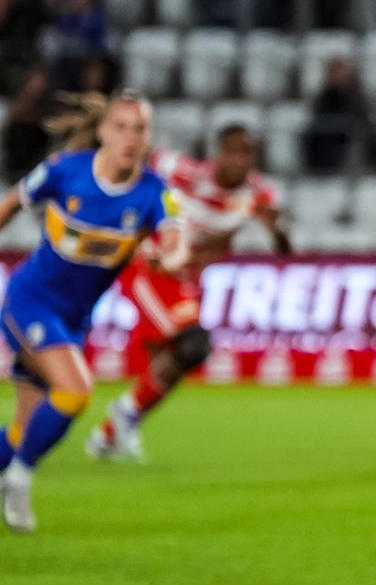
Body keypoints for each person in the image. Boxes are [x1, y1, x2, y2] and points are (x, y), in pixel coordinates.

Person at [0, 92, 186, 532]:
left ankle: (13, 464)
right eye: (120, 127)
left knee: (24, 429)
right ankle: (19, 479)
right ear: (102, 131)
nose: (130, 138)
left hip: (73, 321)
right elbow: (10, 204)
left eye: (139, 129)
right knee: (75, 389)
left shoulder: (155, 193)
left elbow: (177, 243)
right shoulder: (65, 170)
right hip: (30, 301)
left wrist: (167, 259)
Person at [88, 125, 288, 461]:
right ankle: (123, 417)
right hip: (150, 267)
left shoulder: (260, 195)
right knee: (191, 345)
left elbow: (284, 249)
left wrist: (275, 229)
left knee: (179, 359)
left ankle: (110, 433)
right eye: (232, 152)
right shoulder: (183, 170)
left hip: (186, 282)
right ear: (218, 153)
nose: (238, 161)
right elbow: (132, 157)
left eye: (246, 154)